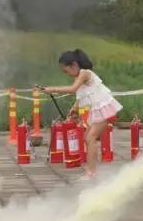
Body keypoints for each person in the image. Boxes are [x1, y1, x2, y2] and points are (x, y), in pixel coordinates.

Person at [41, 49, 123, 178]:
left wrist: (52, 89)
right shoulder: (80, 76)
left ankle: (91, 172)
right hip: (98, 110)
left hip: (104, 108)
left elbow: (73, 89)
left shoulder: (85, 73)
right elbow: (81, 95)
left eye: (66, 71)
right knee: (87, 138)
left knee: (90, 138)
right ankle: (91, 170)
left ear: (74, 65)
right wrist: (75, 107)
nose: (67, 74)